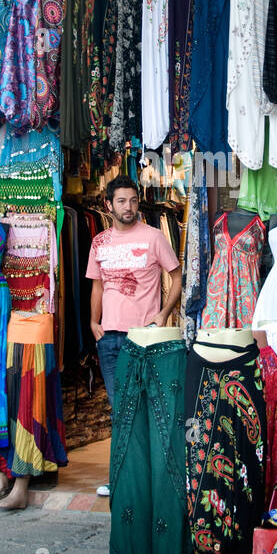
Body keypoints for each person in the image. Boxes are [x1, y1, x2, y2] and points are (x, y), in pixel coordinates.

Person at [88, 176, 183, 498]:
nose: (128, 207)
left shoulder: (155, 237)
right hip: (110, 339)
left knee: (151, 409)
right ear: (108, 205)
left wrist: (164, 313)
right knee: (121, 410)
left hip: (145, 338)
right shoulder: (99, 241)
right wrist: (93, 322)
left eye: (132, 200)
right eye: (121, 201)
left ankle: (157, 481)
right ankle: (122, 480)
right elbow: (97, 284)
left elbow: (176, 274)